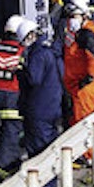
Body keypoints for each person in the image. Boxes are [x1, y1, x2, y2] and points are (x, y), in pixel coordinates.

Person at [0, 15, 28, 173]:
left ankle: (0, 162)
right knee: (11, 132)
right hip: (13, 95)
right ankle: (8, 165)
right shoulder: (21, 50)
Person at [19, 14, 65, 160]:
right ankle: (50, 181)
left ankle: (45, 183)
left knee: (39, 151)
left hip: (39, 108)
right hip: (54, 106)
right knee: (50, 147)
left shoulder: (37, 54)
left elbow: (34, 79)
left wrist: (21, 71)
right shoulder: (50, 51)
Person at [60, 0, 94, 125]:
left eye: (75, 16)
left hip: (84, 88)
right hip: (75, 85)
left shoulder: (86, 35)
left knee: (83, 124)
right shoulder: (76, 34)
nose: (72, 20)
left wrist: (89, 77)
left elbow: (93, 57)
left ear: (84, 16)